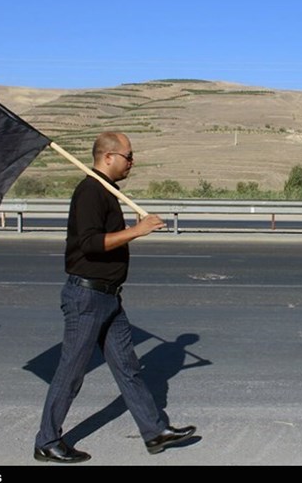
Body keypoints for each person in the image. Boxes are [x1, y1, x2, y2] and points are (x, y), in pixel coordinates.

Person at [34, 132, 196, 463]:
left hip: (109, 299)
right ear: (108, 157)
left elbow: (107, 240)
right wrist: (138, 230)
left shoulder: (107, 192)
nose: (132, 162)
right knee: (72, 371)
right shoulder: (90, 191)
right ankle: (47, 441)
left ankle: (154, 432)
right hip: (87, 297)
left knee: (128, 368)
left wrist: (131, 230)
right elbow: (91, 244)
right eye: (128, 156)